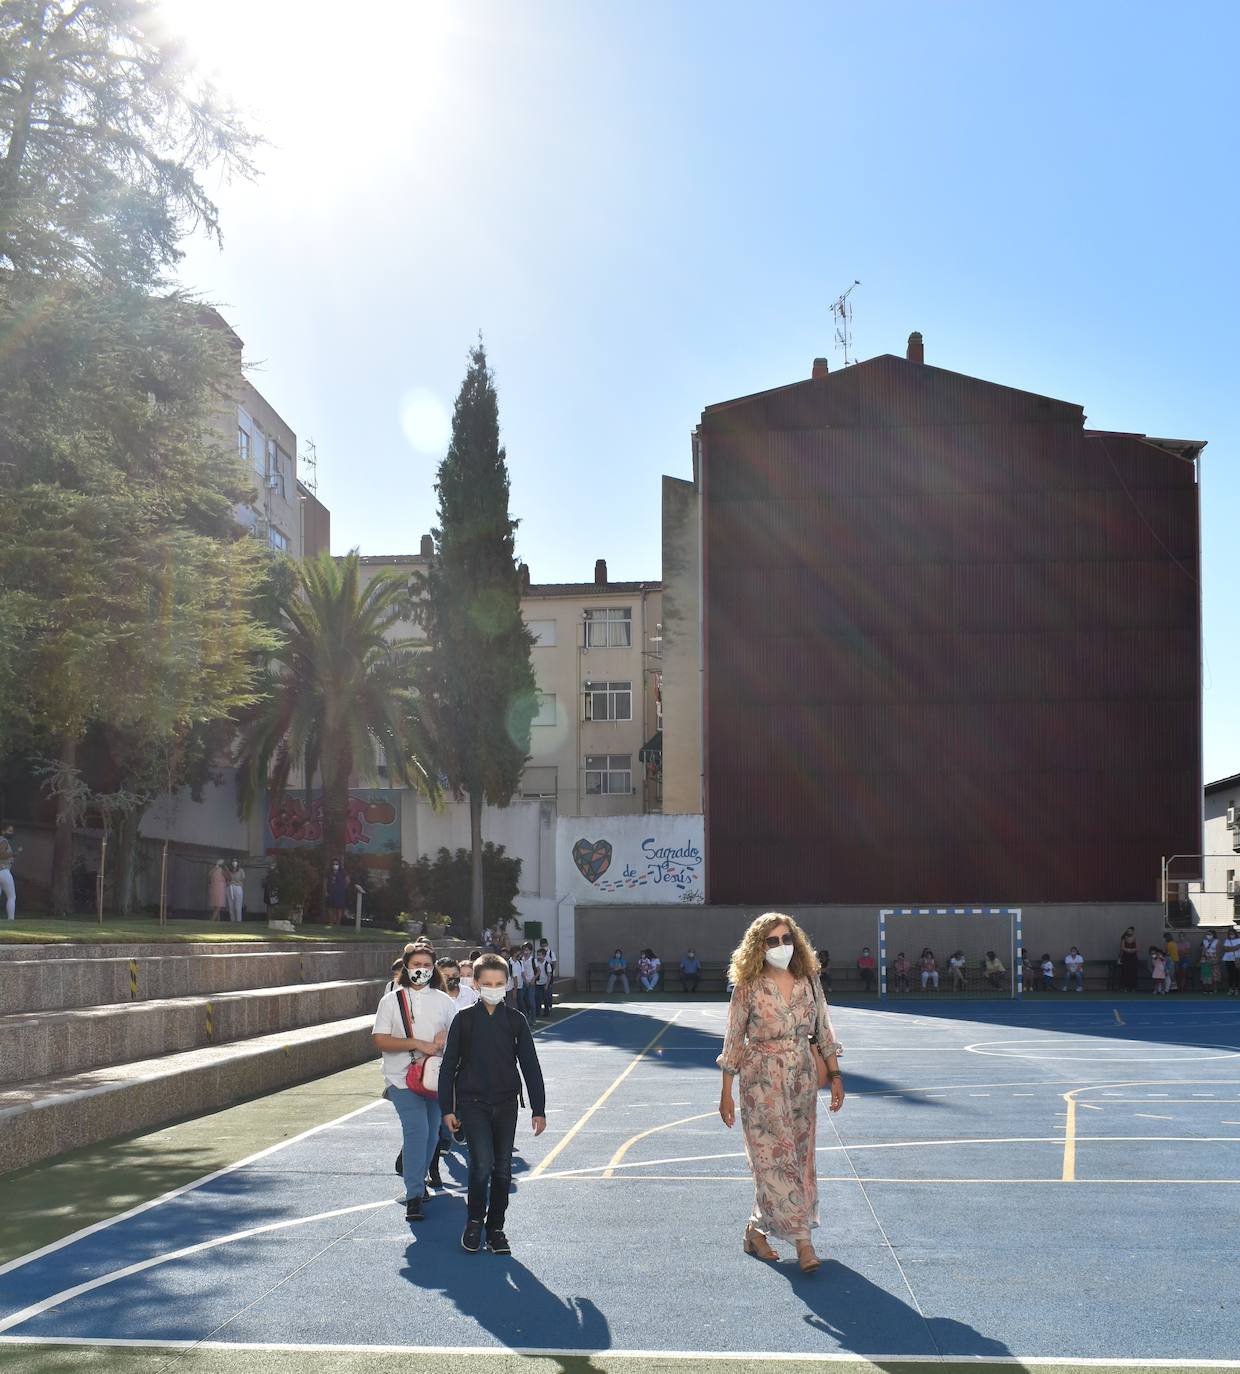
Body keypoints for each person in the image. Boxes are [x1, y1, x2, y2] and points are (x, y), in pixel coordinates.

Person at [718, 912, 845, 1274]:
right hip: (760, 1081)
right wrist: (726, 1092)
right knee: (774, 1159)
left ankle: (755, 1230)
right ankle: (804, 1243)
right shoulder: (748, 985)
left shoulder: (808, 980)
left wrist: (835, 1075)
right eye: (772, 941)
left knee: (800, 1158)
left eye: (786, 939)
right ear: (759, 946)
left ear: (796, 941)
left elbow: (824, 1028)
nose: (780, 947)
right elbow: (733, 1039)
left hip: (802, 1079)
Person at [440, 953, 547, 1255]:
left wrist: (538, 1109)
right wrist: (447, 1108)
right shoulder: (464, 1020)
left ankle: (496, 1227)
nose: (493, 988)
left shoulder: (516, 1021)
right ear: (474, 984)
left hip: (506, 1104)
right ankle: (474, 1221)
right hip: (472, 1103)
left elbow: (530, 1066)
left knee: (502, 1169)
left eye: (499, 983)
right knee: (482, 1164)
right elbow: (448, 1067)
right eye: (486, 983)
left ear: (507, 983)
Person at [372, 946, 457, 1222]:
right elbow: (381, 1039)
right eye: (416, 963)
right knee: (417, 1131)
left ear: (434, 969)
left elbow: (460, 1036)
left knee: (432, 1134)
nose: (421, 968)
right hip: (401, 1077)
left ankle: (418, 1183)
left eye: (427, 964)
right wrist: (416, 1044)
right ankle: (413, 1195)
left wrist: (446, 1034)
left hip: (434, 1079)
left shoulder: (444, 1001)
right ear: (406, 967)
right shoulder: (391, 1000)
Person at [0, 824, 17, 921]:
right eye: (9, 831)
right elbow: (1, 854)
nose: (12, 833)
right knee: (12, 897)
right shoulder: (3, 840)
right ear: (3, 831)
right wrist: (12, 854)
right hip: (4, 872)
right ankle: (11, 919)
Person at [533, 943, 555, 1019]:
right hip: (538, 983)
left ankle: (546, 1012)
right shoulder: (536, 963)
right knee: (537, 999)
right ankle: (537, 1012)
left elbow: (549, 975)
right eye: (538, 955)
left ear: (544, 955)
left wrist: (546, 985)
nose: (538, 956)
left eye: (540, 955)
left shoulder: (547, 964)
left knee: (546, 998)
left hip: (545, 983)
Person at [325, 858, 348, 927]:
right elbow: (325, 882)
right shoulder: (328, 872)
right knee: (329, 907)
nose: (335, 865)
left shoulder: (342, 872)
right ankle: (331, 921)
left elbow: (347, 880)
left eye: (336, 864)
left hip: (339, 893)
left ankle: (338, 923)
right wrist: (325, 891)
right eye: (333, 864)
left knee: (339, 908)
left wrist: (343, 888)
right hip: (330, 892)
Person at [1119, 927, 1139, 993]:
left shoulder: (1135, 938)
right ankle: (1125, 987)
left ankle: (1133, 987)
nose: (1129, 932)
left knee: (1133, 972)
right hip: (1126, 957)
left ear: (1133, 932)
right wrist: (1127, 950)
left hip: (1133, 958)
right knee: (1125, 972)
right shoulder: (1124, 938)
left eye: (1130, 931)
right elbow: (1122, 948)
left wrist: (1133, 950)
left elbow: (1137, 948)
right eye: (1128, 931)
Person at [225, 859, 245, 923]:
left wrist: (239, 884)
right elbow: (226, 878)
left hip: (238, 887)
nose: (234, 862)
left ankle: (239, 920)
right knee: (231, 906)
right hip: (229, 887)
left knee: (238, 906)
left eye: (236, 861)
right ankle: (232, 920)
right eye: (233, 861)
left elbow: (243, 880)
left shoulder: (241, 870)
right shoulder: (229, 870)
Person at [1223, 926, 1240, 997]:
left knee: (1237, 974)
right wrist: (1232, 948)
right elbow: (1225, 948)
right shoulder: (1227, 940)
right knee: (1229, 974)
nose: (1231, 935)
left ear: (1235, 934)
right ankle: (1230, 989)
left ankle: (1236, 989)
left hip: (1236, 959)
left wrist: (1230, 948)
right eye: (1230, 934)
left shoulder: (1239, 939)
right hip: (1228, 959)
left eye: (1232, 933)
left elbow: (1237, 947)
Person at [1200, 931, 1219, 995]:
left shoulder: (1217, 941)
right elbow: (1203, 950)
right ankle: (1206, 989)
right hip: (1206, 958)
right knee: (1207, 974)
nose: (1208, 935)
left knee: (1215, 975)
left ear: (1213, 935)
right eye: (1207, 934)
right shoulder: (1204, 941)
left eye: (1210, 934)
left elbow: (1218, 951)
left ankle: (1214, 989)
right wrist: (1202, 959)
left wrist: (1217, 960)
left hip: (1214, 958)